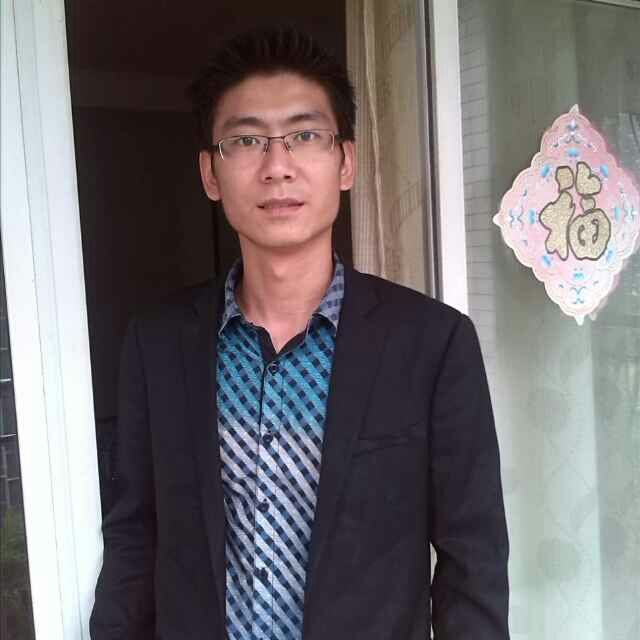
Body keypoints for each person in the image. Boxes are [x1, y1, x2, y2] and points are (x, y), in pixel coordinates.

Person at [90, 26, 509, 640]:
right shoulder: (156, 345)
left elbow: (473, 560)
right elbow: (134, 537)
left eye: (305, 135)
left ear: (346, 162)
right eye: (246, 140)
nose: (277, 166)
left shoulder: (433, 344)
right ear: (210, 174)